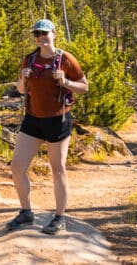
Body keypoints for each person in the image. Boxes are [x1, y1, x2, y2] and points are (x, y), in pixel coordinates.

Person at [7, 18, 89, 234]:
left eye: (44, 33)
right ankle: (26, 213)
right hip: (33, 119)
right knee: (17, 167)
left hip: (58, 120)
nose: (40, 37)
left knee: (58, 170)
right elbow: (22, 90)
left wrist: (66, 82)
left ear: (54, 34)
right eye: (37, 34)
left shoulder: (66, 59)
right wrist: (22, 80)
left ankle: (60, 217)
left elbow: (85, 87)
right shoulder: (30, 59)